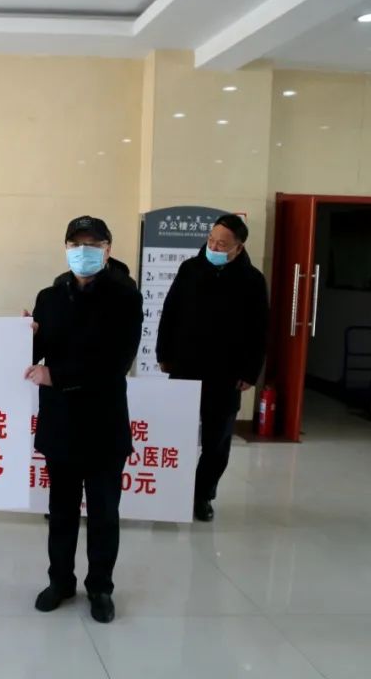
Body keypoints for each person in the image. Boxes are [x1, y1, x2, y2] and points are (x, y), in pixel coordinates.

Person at [26, 216, 143, 624]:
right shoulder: (50, 295)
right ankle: (60, 581)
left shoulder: (125, 296)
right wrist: (25, 334)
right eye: (76, 243)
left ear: (108, 249)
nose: (83, 251)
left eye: (92, 243)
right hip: (60, 421)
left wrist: (56, 375)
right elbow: (37, 352)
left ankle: (100, 587)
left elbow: (115, 362)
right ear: (65, 247)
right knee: (60, 510)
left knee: (104, 512)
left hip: (103, 420)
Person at [156, 213, 268, 523]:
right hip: (185, 367)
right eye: (211, 240)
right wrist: (164, 353)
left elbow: (259, 330)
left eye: (222, 244)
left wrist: (250, 371)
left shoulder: (252, 280)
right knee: (175, 434)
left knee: (216, 443)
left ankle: (201, 495)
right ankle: (170, 493)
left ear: (238, 247)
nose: (214, 247)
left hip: (226, 374)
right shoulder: (190, 269)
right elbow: (170, 312)